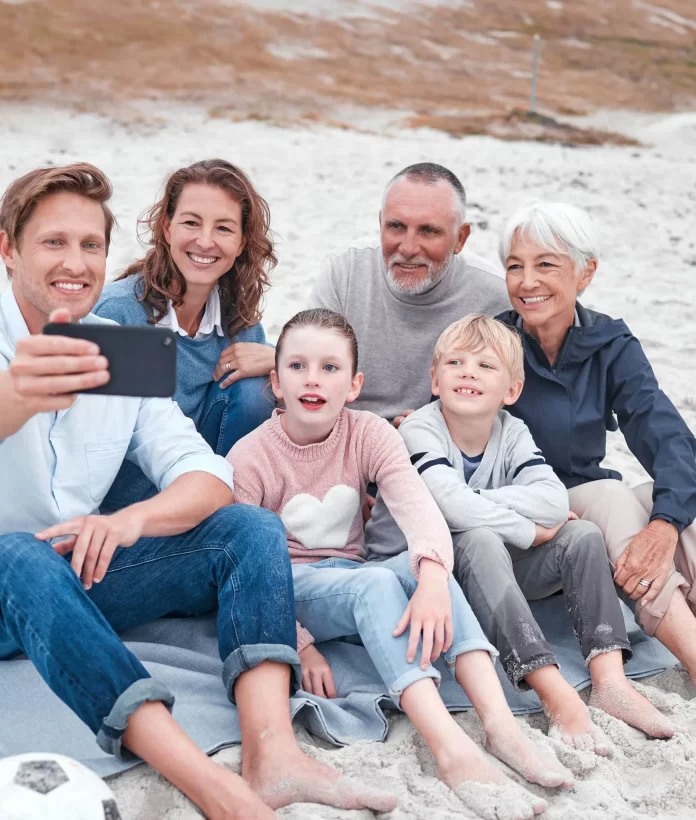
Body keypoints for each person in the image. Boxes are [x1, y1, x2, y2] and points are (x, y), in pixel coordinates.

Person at [0, 163, 394, 820]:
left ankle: (272, 756)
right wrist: (22, 389)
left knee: (249, 527)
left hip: (71, 564)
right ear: (8, 249)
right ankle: (217, 792)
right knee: (18, 557)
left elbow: (210, 476)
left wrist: (132, 521)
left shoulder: (123, 352)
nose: (77, 261)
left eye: (91, 245)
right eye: (53, 243)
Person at [227, 308, 577, 820]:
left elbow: (419, 509)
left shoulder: (368, 432)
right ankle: (451, 750)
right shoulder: (251, 457)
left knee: (420, 569)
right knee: (374, 583)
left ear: (354, 384)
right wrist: (298, 642)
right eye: (298, 367)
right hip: (292, 585)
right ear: (276, 382)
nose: (313, 380)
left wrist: (434, 576)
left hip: (352, 572)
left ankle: (500, 725)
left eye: (330, 368)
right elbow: (243, 570)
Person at [368, 315, 675, 750]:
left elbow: (554, 502)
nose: (469, 372)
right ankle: (548, 685)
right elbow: (448, 507)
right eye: (455, 363)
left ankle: (610, 680)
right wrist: (528, 530)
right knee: (479, 537)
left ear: (511, 391)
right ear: (435, 380)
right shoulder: (420, 428)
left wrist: (484, 503)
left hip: (491, 562)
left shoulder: (511, 431)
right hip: (425, 571)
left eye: (486, 366)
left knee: (582, 534)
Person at [496, 201, 696, 689]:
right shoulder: (494, 341)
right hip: (524, 511)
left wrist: (667, 522)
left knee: (659, 499)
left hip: (587, 500)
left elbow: (666, 433)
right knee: (612, 497)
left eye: (546, 264)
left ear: (585, 273)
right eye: (514, 266)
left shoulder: (609, 344)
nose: (527, 281)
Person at [95, 159, 277, 510]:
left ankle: (226, 508)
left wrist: (280, 361)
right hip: (124, 506)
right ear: (166, 228)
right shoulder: (117, 314)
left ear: (241, 242)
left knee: (259, 390)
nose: (205, 241)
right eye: (191, 223)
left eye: (224, 228)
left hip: (206, 484)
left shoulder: (238, 317)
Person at [308, 162, 511, 425]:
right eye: (396, 226)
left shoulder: (496, 296)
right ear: (380, 222)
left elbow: (508, 405)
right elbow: (308, 370)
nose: (408, 247)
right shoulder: (345, 271)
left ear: (460, 238)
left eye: (428, 231)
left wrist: (439, 426)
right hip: (342, 430)